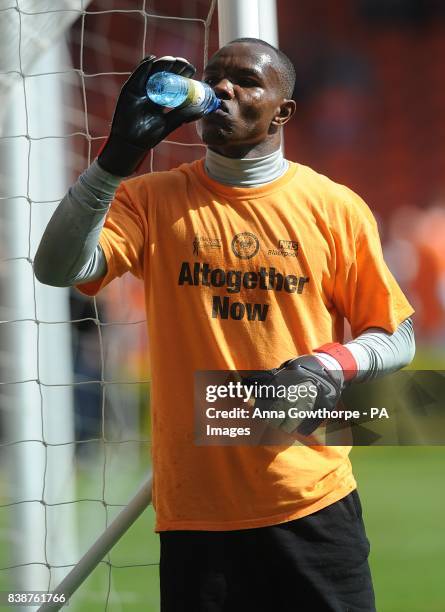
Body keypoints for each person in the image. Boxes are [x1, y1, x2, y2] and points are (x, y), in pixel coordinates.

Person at [35, 39, 415, 611]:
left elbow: (398, 336)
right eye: (216, 78)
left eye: (246, 80)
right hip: (195, 517)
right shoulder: (150, 199)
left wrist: (326, 365)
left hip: (310, 504)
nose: (224, 90)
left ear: (282, 111)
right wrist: (116, 157)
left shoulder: (334, 207)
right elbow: (56, 268)